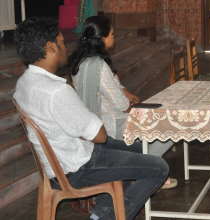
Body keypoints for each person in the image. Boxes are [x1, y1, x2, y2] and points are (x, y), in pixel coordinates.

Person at [13, 18, 169, 220]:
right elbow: (99, 136)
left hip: (58, 162)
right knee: (158, 167)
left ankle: (101, 212)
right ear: (50, 47)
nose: (65, 49)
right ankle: (109, 217)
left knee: (139, 151)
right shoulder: (56, 91)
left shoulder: (23, 84)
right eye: (61, 44)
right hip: (78, 167)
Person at [69, 16, 178, 189]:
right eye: (111, 34)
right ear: (102, 38)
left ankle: (142, 166)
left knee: (158, 119)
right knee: (171, 126)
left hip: (92, 122)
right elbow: (120, 105)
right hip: (110, 124)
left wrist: (125, 92)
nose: (114, 37)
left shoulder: (79, 62)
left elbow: (111, 86)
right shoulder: (98, 65)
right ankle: (148, 169)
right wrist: (134, 108)